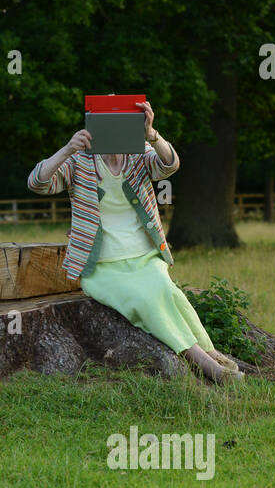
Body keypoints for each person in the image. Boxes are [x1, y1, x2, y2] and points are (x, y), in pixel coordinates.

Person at [27, 101, 243, 384]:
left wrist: (153, 134)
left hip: (145, 257)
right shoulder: (79, 161)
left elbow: (169, 165)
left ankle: (213, 354)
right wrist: (68, 148)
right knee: (145, 301)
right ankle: (207, 365)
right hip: (102, 267)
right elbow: (38, 182)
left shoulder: (139, 155)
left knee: (167, 293)